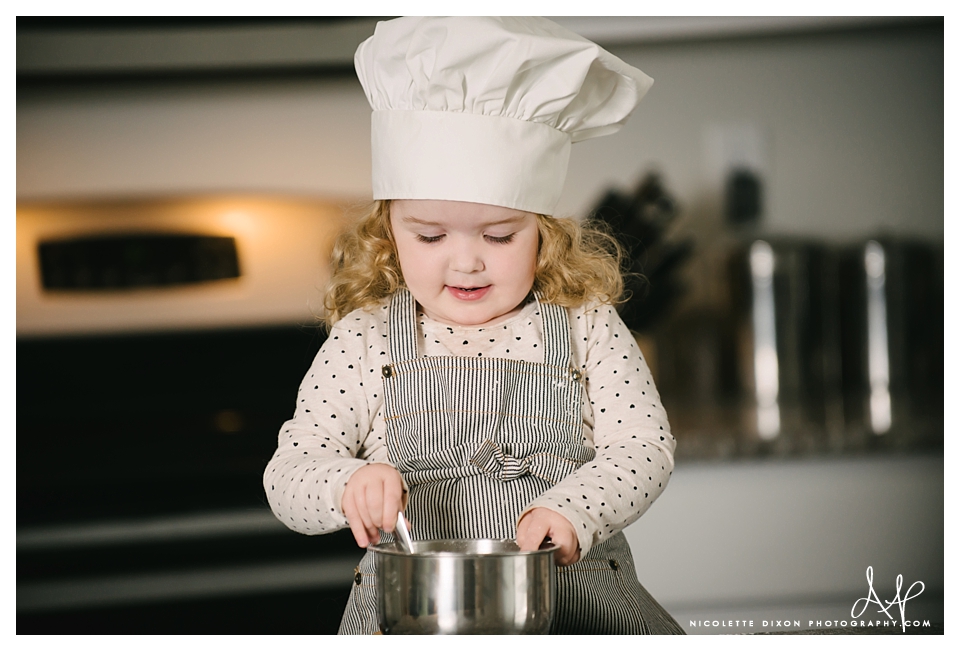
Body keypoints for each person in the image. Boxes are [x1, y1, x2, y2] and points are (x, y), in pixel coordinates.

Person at [263, 16, 683, 635]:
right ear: (388, 232)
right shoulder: (365, 340)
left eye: (499, 235)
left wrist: (574, 509)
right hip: (415, 618)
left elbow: (644, 448)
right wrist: (346, 481)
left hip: (579, 606)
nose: (466, 261)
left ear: (544, 229)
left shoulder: (587, 326)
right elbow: (289, 473)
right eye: (429, 235)